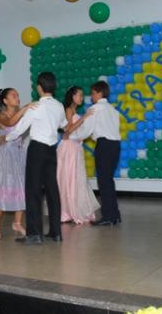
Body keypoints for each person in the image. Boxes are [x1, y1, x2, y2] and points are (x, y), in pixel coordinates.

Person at [6, 72, 67, 244]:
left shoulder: (36, 107)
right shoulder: (59, 106)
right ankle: (56, 233)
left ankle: (34, 234)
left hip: (37, 149)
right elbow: (63, 125)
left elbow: (20, 128)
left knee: (33, 190)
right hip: (51, 150)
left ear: (39, 87)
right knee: (52, 191)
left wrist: (7, 138)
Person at [69, 81, 121, 226]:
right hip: (115, 145)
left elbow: (86, 131)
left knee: (104, 182)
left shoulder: (95, 109)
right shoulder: (113, 110)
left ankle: (108, 217)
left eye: (92, 93)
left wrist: (71, 136)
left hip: (104, 145)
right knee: (109, 180)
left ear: (99, 93)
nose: (91, 96)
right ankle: (115, 214)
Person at [0, 89, 33, 239]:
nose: (17, 97)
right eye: (13, 95)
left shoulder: (22, 113)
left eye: (18, 95)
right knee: (3, 188)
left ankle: (17, 222)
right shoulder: (1, 115)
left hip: (19, 153)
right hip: (6, 155)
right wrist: (25, 108)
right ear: (5, 101)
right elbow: (10, 122)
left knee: (20, 187)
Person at [56, 86, 99, 224]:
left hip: (75, 147)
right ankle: (68, 210)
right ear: (72, 96)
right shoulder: (68, 110)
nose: (81, 98)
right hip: (68, 148)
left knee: (77, 179)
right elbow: (67, 131)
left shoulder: (74, 111)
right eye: (79, 95)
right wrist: (84, 118)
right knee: (68, 178)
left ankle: (74, 208)